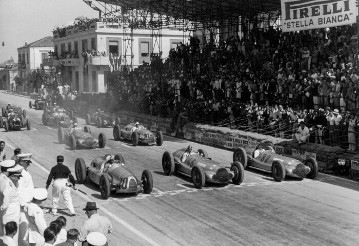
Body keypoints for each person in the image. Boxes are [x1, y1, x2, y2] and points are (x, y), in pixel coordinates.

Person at [1, 164, 23, 243]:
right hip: (10, 219)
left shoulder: (11, 184)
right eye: (18, 177)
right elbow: (5, 204)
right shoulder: (9, 186)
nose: (19, 179)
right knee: (11, 241)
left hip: (12, 217)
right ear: (12, 176)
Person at [17, 153, 35, 246]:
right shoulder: (20, 172)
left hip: (28, 203)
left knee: (27, 227)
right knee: (23, 227)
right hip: (23, 205)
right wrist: (23, 204)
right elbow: (19, 190)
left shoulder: (25, 171)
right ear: (21, 161)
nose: (29, 164)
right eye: (27, 162)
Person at [0, 160, 15, 236]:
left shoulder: (1, 178)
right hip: (7, 213)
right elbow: (6, 199)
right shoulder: (6, 181)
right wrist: (1, 210)